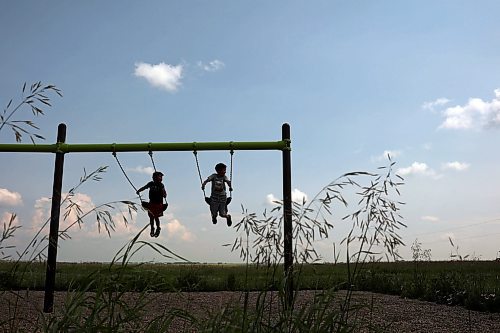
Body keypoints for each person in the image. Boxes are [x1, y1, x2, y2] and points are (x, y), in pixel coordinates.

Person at [137, 171, 167, 237]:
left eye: (160, 177)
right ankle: (152, 228)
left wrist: (164, 194)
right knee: (151, 217)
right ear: (154, 178)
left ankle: (158, 228)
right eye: (159, 177)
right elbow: (144, 187)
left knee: (156, 217)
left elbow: (165, 194)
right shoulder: (151, 184)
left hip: (158, 204)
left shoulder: (161, 185)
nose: (160, 178)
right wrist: (139, 190)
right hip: (152, 203)